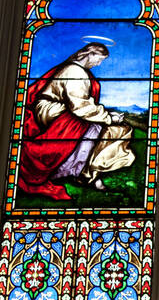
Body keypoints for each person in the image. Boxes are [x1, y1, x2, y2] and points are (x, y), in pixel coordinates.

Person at [18, 43, 134, 201]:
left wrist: (107, 116)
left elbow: (83, 105)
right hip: (52, 110)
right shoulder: (75, 71)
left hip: (66, 110)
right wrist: (108, 117)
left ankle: (85, 171)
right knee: (94, 128)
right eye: (98, 59)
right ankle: (83, 172)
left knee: (99, 129)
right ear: (89, 54)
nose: (98, 64)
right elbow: (80, 106)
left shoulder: (80, 71)